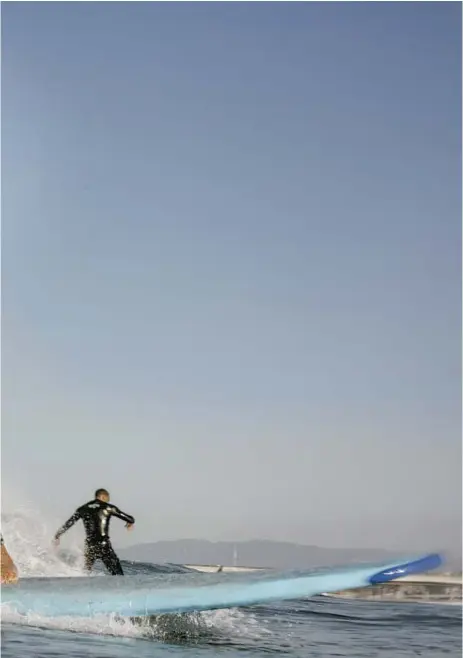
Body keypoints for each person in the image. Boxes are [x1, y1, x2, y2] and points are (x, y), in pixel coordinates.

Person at [53, 488, 134, 576]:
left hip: (90, 546)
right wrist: (129, 523)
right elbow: (130, 519)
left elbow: (69, 523)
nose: (107, 501)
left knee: (85, 573)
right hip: (104, 545)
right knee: (118, 574)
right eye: (107, 499)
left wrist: (57, 535)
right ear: (103, 497)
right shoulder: (108, 507)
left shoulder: (83, 508)